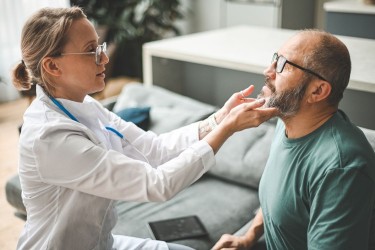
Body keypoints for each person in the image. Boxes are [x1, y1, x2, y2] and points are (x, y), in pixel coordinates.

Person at [11, 7, 277, 250]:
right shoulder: (50, 137)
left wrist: (219, 118)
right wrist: (227, 129)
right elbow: (157, 184)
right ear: (53, 65)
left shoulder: (86, 105)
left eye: (100, 46)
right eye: (91, 50)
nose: (104, 58)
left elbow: (154, 148)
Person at [213, 29, 375, 250]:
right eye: (274, 59)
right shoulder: (287, 120)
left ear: (317, 91)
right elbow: (280, 196)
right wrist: (249, 237)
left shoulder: (342, 168)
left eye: (283, 65)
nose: (267, 71)